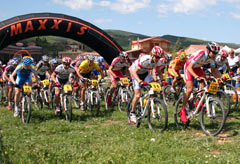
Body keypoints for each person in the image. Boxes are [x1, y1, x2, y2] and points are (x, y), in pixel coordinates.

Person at [180, 42, 222, 123]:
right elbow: (189, 67)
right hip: (189, 67)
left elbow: (214, 71)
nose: (215, 55)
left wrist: (220, 78)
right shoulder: (202, 53)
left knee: (205, 83)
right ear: (208, 50)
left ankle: (199, 102)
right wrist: (196, 77)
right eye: (214, 53)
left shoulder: (212, 59)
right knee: (190, 89)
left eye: (216, 53)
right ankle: (183, 110)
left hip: (197, 68)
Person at [128, 46, 166, 124]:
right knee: (138, 95)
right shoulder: (145, 60)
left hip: (144, 73)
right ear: (152, 55)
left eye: (159, 57)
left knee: (154, 87)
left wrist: (162, 80)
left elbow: (158, 71)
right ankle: (132, 113)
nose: (158, 59)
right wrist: (139, 81)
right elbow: (134, 72)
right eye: (156, 57)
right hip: (135, 73)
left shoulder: (158, 61)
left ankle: (151, 102)